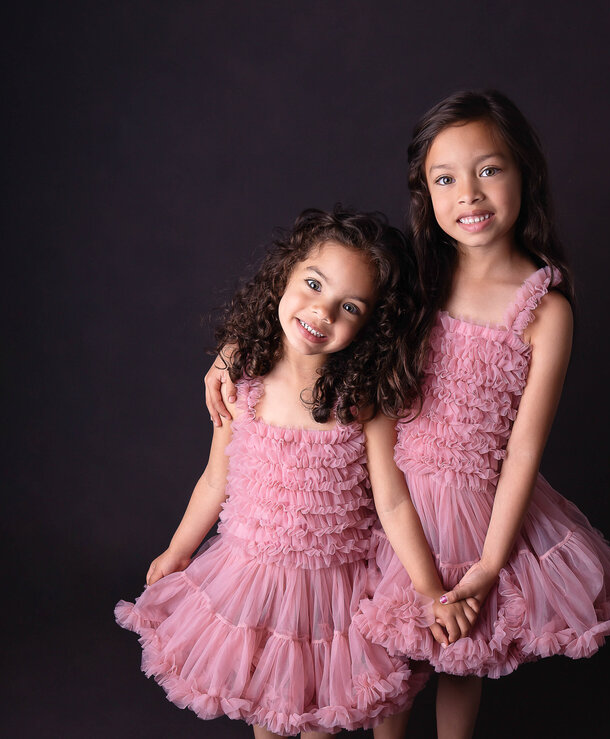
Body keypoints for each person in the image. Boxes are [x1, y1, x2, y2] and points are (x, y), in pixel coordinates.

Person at [206, 90, 610, 739]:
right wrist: (231, 351)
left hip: (474, 506)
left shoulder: (543, 308)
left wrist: (491, 562)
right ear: (425, 190)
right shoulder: (417, 278)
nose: (468, 193)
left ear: (526, 171)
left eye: (489, 170)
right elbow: (311, 311)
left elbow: (523, 448)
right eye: (446, 178)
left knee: (460, 653)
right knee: (389, 658)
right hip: (387, 496)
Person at [117, 207, 477, 739]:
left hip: (331, 593)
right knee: (270, 714)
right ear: (283, 275)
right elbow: (216, 479)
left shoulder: (362, 402)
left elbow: (393, 502)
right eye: (312, 283)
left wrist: (428, 590)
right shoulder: (245, 380)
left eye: (348, 306)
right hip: (255, 580)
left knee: (317, 721)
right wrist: (178, 549)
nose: (320, 311)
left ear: (370, 323)